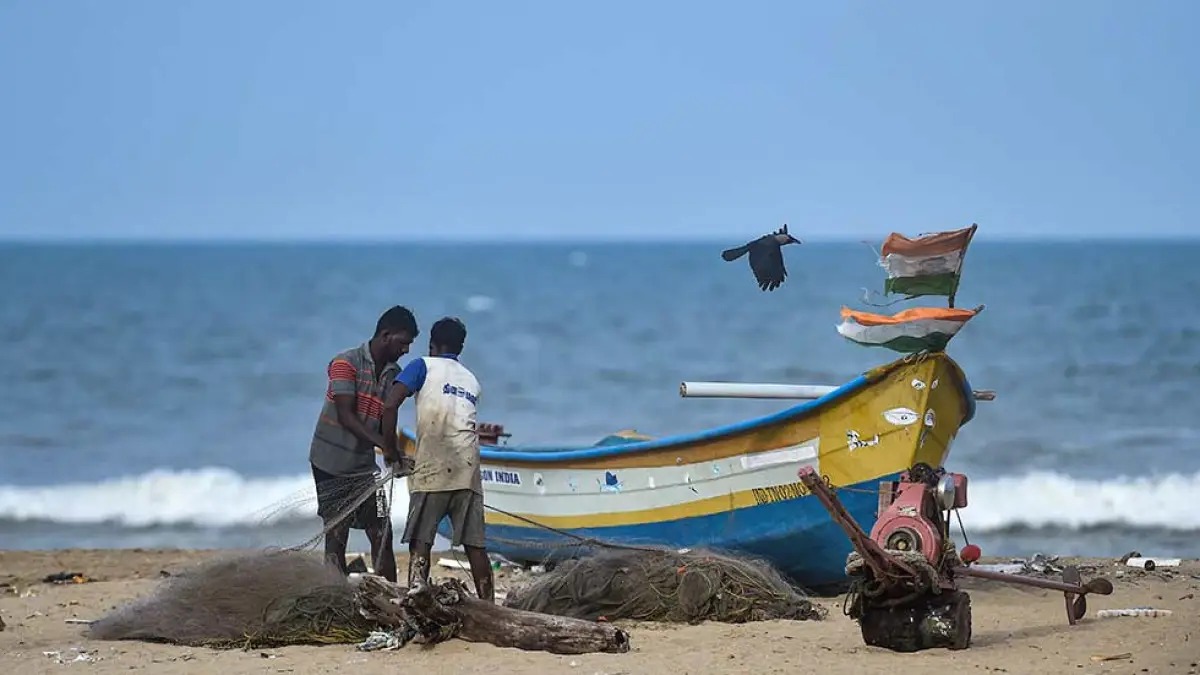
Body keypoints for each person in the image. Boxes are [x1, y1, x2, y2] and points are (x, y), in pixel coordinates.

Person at [381, 316, 493, 602]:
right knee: (475, 547)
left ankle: (415, 602)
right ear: (460, 348)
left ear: (433, 344)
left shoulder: (422, 365)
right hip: (468, 468)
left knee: (421, 543)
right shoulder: (471, 380)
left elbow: (391, 403)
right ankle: (490, 606)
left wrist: (391, 452)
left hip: (433, 467)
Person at [308, 305, 418, 583]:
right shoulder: (345, 363)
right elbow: (346, 416)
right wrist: (385, 445)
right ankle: (333, 597)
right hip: (329, 464)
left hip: (363, 469)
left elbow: (384, 422)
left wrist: (395, 455)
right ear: (385, 335)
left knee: (382, 531)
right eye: (403, 343)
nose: (406, 350)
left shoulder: (395, 373)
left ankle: (392, 596)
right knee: (337, 533)